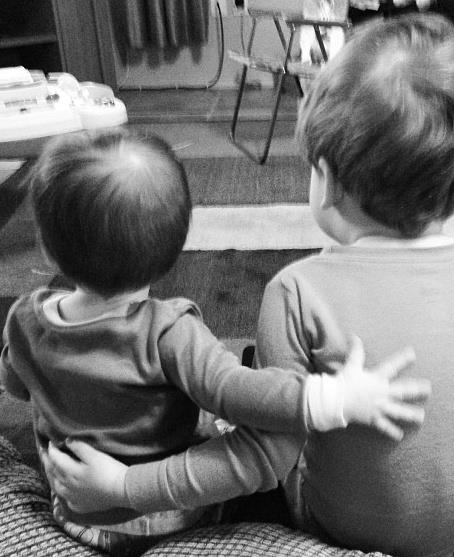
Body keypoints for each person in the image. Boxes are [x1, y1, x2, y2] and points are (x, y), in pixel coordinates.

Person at [41, 13, 454, 557]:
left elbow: (265, 458)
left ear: (326, 179)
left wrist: (124, 487)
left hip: (337, 533)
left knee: (255, 403)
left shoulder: (297, 292)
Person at [0, 128, 431, 556]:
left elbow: (16, 386)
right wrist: (335, 398)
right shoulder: (168, 331)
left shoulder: (24, 317)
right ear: (175, 247)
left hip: (73, 512)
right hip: (162, 520)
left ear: (48, 251)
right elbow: (238, 392)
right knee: (237, 445)